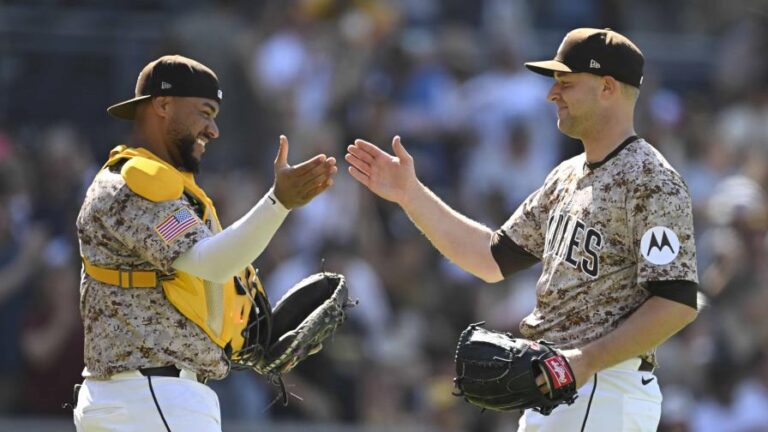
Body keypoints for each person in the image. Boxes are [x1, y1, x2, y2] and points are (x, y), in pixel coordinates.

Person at [346, 28, 699, 431]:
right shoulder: (566, 177)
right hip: (562, 385)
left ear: (606, 87)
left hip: (603, 387)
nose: (553, 94)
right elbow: (491, 258)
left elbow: (677, 300)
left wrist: (586, 361)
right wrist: (410, 194)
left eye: (566, 83)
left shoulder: (651, 180)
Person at [73, 55, 337, 431]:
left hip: (142, 397)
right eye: (204, 112)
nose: (213, 129)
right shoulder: (137, 182)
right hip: (153, 395)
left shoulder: (165, 187)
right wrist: (279, 203)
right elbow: (211, 262)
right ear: (162, 105)